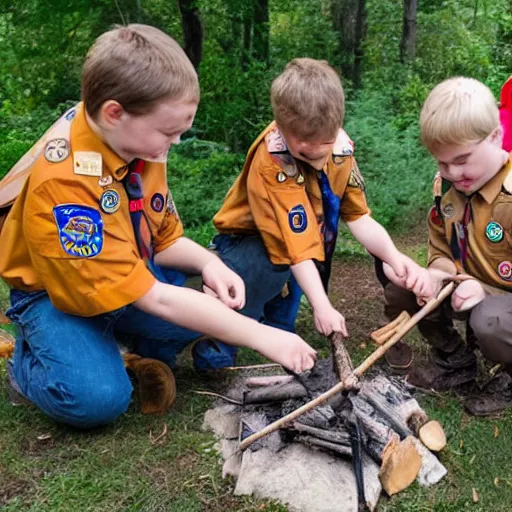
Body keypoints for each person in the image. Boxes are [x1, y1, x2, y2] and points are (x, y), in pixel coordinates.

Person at [0, 25, 317, 429]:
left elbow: (162, 238)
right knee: (96, 400)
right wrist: (262, 336)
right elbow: (158, 298)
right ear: (114, 112)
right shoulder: (65, 182)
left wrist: (208, 263)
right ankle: (31, 360)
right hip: (53, 295)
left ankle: (109, 344)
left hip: (123, 278)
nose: (177, 142)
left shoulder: (135, 142)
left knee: (211, 313)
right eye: (170, 132)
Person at [193, 58, 429, 370]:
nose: (317, 154)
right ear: (281, 127)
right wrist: (323, 306)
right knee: (266, 274)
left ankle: (278, 328)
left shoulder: (341, 150)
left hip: (301, 247)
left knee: (293, 286)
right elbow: (296, 245)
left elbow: (357, 216)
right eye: (304, 148)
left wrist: (394, 257)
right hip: (248, 244)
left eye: (326, 144)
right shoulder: (273, 161)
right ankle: (223, 335)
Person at [381, 77, 512, 417]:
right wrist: (435, 276)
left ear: (496, 136)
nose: (454, 172)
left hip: (501, 305)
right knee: (402, 290)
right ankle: (456, 361)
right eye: (443, 163)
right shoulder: (448, 194)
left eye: (463, 159)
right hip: (464, 288)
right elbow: (441, 251)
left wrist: (483, 292)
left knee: (490, 321)